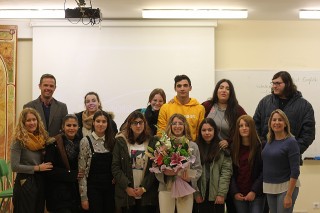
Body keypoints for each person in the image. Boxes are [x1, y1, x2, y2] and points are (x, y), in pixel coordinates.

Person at [202, 79, 246, 213]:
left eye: (227, 88)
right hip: (209, 156)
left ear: (231, 92)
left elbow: (245, 128)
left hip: (230, 156)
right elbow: (199, 127)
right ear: (216, 90)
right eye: (221, 87)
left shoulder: (237, 109)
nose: (224, 90)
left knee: (229, 194)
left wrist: (229, 141)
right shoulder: (207, 106)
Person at [253, 71, 315, 164]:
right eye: (273, 83)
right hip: (266, 157)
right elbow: (255, 126)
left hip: (290, 160)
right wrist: (264, 146)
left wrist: (292, 150)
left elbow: (308, 135)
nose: (274, 86)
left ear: (288, 84)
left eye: (278, 83)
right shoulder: (265, 102)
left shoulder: (305, 106)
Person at [112, 111, 158, 213]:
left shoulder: (152, 142)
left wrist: (144, 188)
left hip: (146, 194)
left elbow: (155, 168)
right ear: (130, 125)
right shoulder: (121, 141)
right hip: (127, 194)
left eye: (140, 122)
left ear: (144, 124)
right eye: (134, 123)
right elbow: (115, 167)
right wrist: (127, 187)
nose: (138, 125)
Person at [157, 113, 202, 213]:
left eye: (180, 123)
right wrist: (165, 173)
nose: (177, 126)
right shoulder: (162, 144)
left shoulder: (192, 145)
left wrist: (189, 178)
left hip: (186, 187)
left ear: (185, 126)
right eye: (174, 123)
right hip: (166, 187)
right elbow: (155, 166)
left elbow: (198, 169)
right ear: (170, 126)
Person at [11, 108, 53, 213]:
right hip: (25, 182)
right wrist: (37, 168)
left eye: (34, 119)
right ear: (23, 123)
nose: (32, 123)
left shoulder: (41, 139)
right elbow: (14, 166)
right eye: (28, 120)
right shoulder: (18, 141)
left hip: (40, 181)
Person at [262, 109, 300, 213]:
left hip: (286, 187)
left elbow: (295, 171)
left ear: (285, 124)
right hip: (269, 187)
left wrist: (289, 195)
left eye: (280, 120)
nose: (277, 122)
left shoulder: (291, 142)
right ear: (270, 123)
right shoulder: (268, 141)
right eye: (274, 120)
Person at [78, 111, 116, 213]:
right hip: (93, 190)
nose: (101, 124)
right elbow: (81, 173)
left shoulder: (112, 141)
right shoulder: (85, 141)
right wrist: (84, 198)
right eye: (98, 121)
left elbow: (116, 166)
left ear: (108, 124)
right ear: (93, 123)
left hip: (110, 189)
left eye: (104, 121)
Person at [44, 114, 83, 212]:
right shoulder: (53, 143)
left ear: (78, 127)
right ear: (63, 127)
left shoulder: (82, 142)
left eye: (74, 125)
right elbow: (49, 170)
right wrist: (72, 174)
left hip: (76, 193)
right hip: (58, 193)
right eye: (68, 125)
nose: (71, 128)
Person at [193, 118, 232, 213]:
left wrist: (221, 194)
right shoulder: (194, 148)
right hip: (200, 194)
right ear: (200, 132)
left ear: (215, 131)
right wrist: (196, 193)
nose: (207, 133)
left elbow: (226, 173)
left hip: (216, 195)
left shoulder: (222, 148)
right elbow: (192, 172)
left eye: (210, 130)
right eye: (204, 130)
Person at [230, 115, 265, 213]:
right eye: (241, 126)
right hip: (239, 194)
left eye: (247, 125)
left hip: (257, 194)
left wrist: (254, 191)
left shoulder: (261, 146)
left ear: (252, 127)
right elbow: (230, 172)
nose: (244, 128)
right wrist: (235, 192)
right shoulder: (233, 148)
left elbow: (264, 171)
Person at [157, 75, 205, 141]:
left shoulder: (199, 108)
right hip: (170, 148)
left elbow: (200, 132)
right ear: (175, 88)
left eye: (185, 85)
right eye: (179, 86)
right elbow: (160, 132)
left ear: (190, 88)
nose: (182, 88)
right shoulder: (165, 108)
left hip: (192, 146)